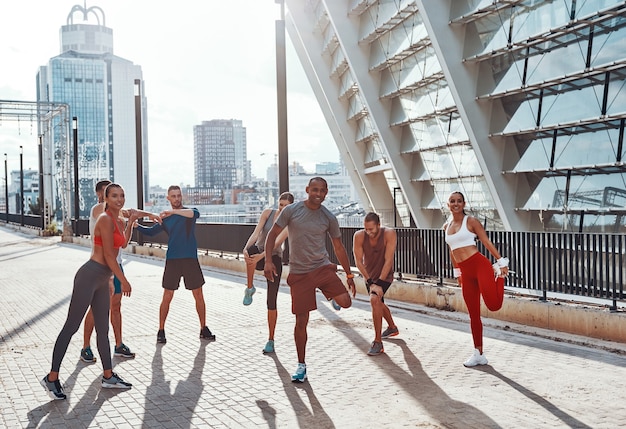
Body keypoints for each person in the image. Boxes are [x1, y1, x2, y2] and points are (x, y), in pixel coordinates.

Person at [41, 183, 137, 400]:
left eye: (122, 195)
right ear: (106, 198)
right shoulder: (104, 219)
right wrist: (123, 280)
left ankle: (108, 375)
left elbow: (121, 245)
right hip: (89, 276)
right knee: (71, 326)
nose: (119, 199)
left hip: (102, 279)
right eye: (114, 196)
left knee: (102, 330)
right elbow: (109, 257)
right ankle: (52, 377)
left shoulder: (117, 220)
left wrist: (131, 222)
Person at [264, 177, 356, 382]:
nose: (318, 193)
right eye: (315, 189)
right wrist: (268, 260)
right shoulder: (292, 211)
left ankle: (329, 293)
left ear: (326, 192)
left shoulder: (328, 217)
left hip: (322, 268)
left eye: (322, 191)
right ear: (307, 190)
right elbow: (272, 234)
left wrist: (349, 274)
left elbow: (338, 247)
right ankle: (301, 365)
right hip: (300, 273)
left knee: (346, 302)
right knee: (301, 322)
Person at [81, 180, 160, 363]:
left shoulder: (118, 216)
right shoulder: (97, 211)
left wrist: (148, 216)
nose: (113, 198)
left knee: (116, 306)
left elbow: (126, 234)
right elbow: (129, 211)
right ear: (101, 195)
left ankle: (118, 345)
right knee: (96, 308)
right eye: (107, 194)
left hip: (116, 264)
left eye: (118, 195)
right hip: (100, 267)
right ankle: (85, 347)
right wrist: (144, 214)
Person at [136, 185, 216, 344]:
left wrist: (171, 212)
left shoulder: (188, 212)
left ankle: (203, 328)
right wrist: (136, 226)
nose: (177, 199)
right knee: (167, 296)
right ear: (168, 198)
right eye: (173, 196)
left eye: (179, 195)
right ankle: (161, 330)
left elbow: (195, 213)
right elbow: (151, 232)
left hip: (190, 260)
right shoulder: (166, 219)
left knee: (198, 295)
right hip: (172, 259)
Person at [443, 191, 509, 367]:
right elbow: (452, 251)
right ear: (448, 205)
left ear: (464, 204)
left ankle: (500, 276)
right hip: (466, 272)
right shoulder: (446, 226)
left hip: (480, 266)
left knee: (494, 306)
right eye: (452, 201)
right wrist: (457, 273)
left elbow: (486, 242)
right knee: (473, 315)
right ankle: (478, 353)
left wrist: (501, 262)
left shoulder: (470, 221)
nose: (455, 204)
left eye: (458, 201)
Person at [242, 191, 294, 354]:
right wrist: (245, 248)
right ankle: (249, 288)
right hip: (258, 251)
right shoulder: (267, 213)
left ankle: (271, 339)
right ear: (277, 203)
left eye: (287, 206)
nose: (283, 208)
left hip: (273, 257)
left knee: (271, 300)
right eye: (281, 205)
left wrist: (261, 257)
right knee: (250, 251)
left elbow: (277, 242)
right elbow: (256, 233)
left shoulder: (289, 223)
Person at [353, 212, 399, 356]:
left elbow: (388, 260)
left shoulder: (389, 234)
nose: (369, 232)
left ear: (379, 225)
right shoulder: (359, 236)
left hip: (385, 275)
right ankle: (392, 327)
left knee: (374, 300)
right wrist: (370, 282)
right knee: (377, 302)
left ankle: (378, 342)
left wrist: (379, 283)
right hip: (370, 276)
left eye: (371, 229)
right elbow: (358, 261)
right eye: (366, 229)